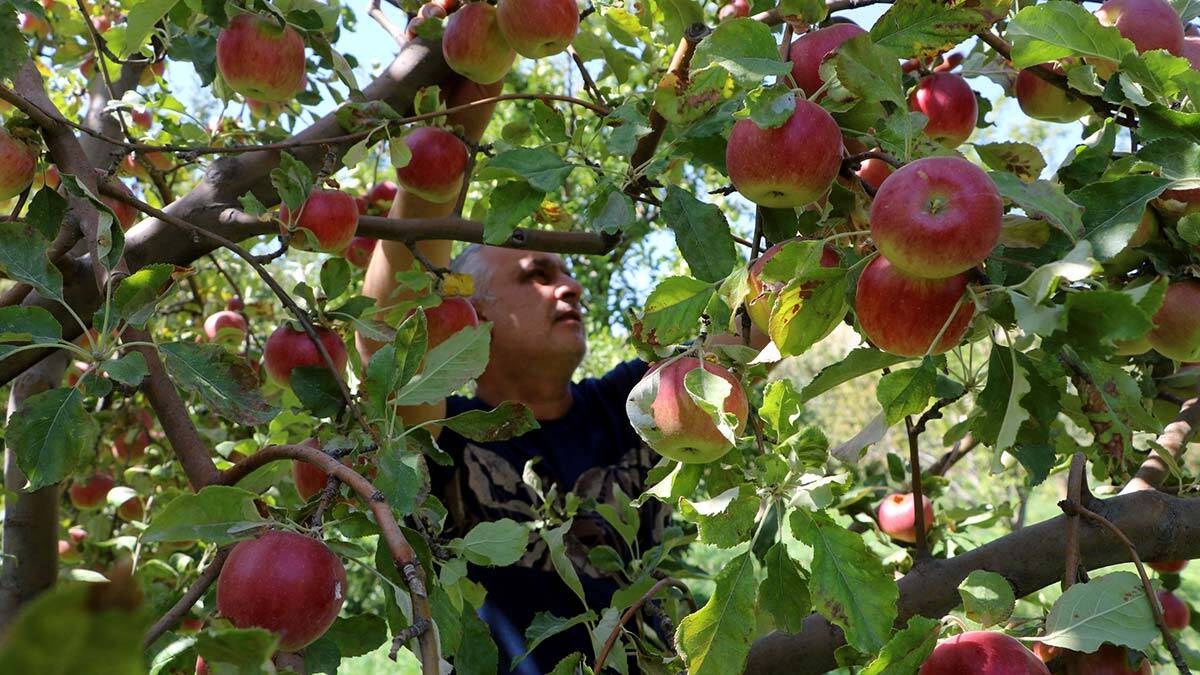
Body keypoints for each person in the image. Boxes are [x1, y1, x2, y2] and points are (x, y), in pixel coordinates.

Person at [357, 78, 666, 673]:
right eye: (537, 273)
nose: (570, 285)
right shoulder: (447, 437)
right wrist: (457, 120)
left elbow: (751, 333)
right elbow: (386, 337)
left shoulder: (630, 407)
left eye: (567, 272)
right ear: (472, 313)